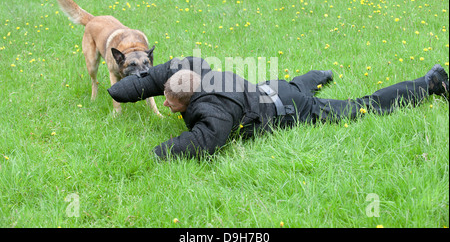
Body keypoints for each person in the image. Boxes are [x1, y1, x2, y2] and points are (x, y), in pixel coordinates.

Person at [107, 57, 449, 159]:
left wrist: (155, 154)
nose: (163, 102)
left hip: (290, 108)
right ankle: (322, 73)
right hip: (274, 89)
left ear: (190, 102)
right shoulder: (195, 71)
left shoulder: (215, 113)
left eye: (169, 102)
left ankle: (430, 83)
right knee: (297, 85)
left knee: (360, 108)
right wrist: (120, 91)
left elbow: (202, 142)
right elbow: (155, 77)